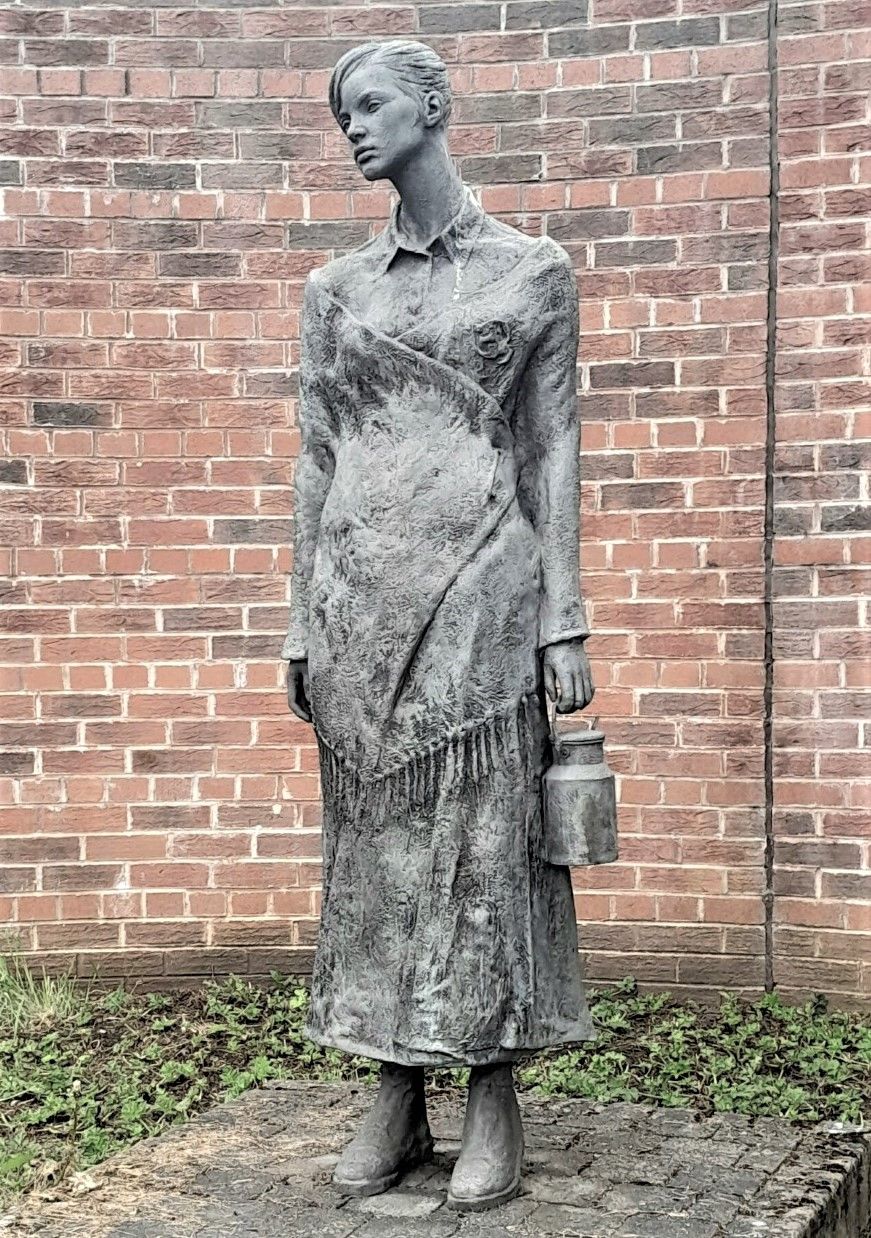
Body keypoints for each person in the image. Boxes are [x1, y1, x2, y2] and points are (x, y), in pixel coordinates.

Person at [282, 39, 595, 1213]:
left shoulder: (530, 271)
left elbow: (552, 447)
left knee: (482, 838)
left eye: (370, 106)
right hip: (358, 597)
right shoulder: (338, 291)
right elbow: (316, 461)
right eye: (340, 113)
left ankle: (493, 1093)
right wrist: (299, 623)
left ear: (431, 104)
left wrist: (565, 619)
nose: (354, 128)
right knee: (371, 846)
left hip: (481, 589)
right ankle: (392, 1084)